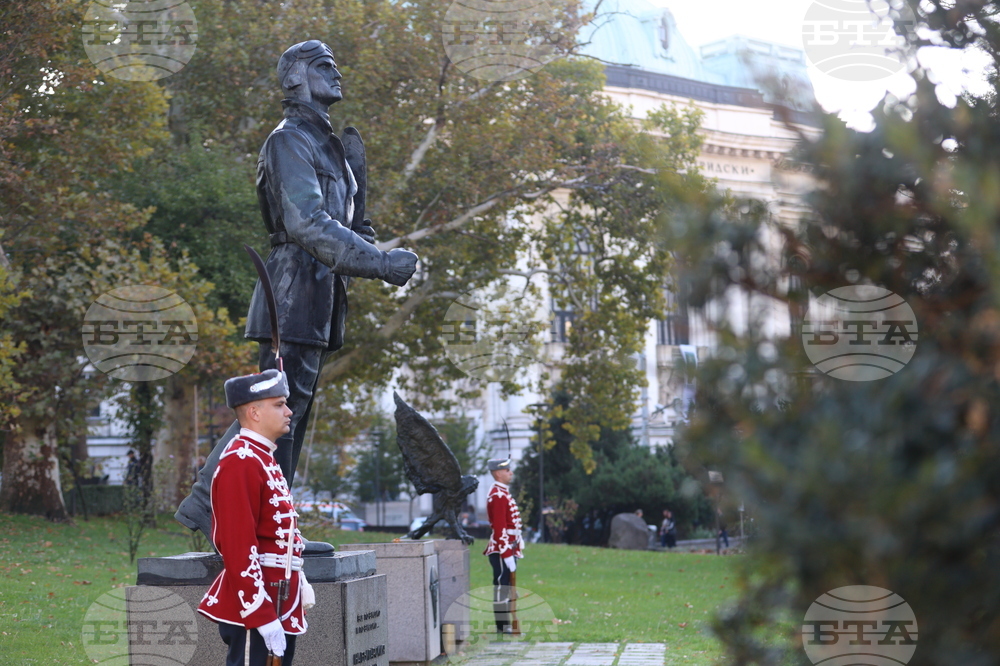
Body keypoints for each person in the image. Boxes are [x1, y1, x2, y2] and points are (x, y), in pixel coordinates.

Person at [176, 39, 419, 553]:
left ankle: (265, 522)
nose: (337, 75)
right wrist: (379, 263)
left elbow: (348, 222)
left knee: (287, 413)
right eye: (324, 67)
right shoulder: (289, 141)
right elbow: (306, 221)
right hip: (293, 289)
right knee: (275, 413)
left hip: (320, 294)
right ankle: (229, 512)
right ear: (295, 79)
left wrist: (366, 232)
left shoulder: (328, 145)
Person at [197, 368, 315, 666]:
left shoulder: (263, 457)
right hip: (258, 603)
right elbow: (238, 547)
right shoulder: (242, 461)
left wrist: (297, 575)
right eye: (278, 404)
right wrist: (260, 615)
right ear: (254, 412)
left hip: (280, 595)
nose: (289, 411)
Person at [483, 457, 523, 634]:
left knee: (507, 587)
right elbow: (499, 528)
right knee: (502, 587)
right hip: (501, 549)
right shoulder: (498, 495)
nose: (511, 473)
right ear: (499, 473)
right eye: (507, 471)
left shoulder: (503, 492)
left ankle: (506, 624)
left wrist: (517, 542)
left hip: (509, 546)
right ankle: (502, 625)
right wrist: (506, 554)